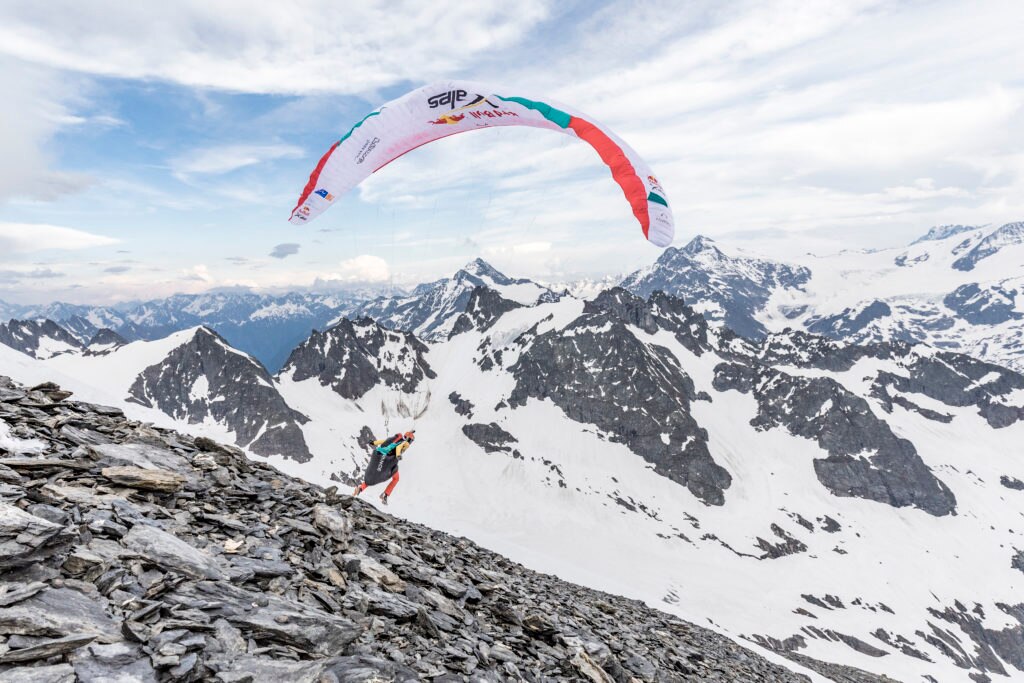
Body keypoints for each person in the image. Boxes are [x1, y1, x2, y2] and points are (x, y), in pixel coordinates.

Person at [353, 430, 415, 505]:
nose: (410, 442)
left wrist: (374, 443)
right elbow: (399, 447)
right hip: (387, 460)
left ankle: (360, 488)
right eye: (411, 440)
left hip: (378, 454)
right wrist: (398, 455)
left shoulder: (396, 439)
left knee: (373, 476)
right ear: (409, 439)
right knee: (396, 478)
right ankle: (385, 494)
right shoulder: (405, 443)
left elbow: (384, 441)